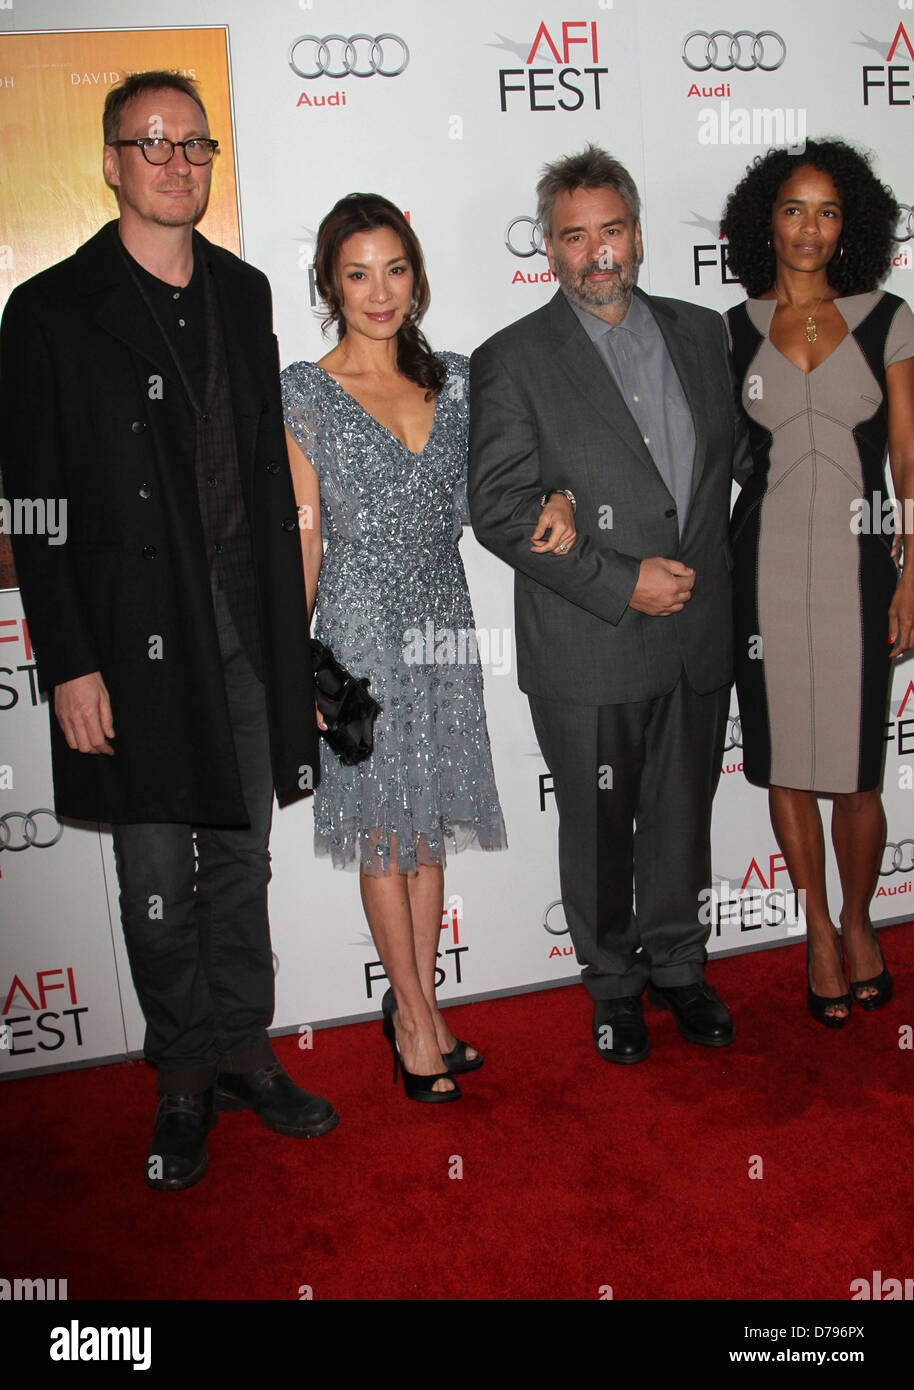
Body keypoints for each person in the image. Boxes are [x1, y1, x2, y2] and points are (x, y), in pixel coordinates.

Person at [0, 71, 337, 1188]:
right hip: (131, 646)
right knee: (156, 874)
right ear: (109, 161)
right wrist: (71, 662)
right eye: (153, 143)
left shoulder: (243, 294)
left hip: (243, 629)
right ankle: (182, 1076)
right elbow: (35, 504)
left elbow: (254, 465)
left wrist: (292, 627)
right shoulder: (48, 310)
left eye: (195, 145)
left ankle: (244, 1045)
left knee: (240, 859)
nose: (177, 162)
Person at [281, 193, 572, 1100]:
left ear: (418, 276)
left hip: (444, 623)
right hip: (360, 631)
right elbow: (306, 534)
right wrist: (299, 662)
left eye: (395, 269)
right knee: (382, 829)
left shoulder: (459, 376)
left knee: (428, 820)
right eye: (358, 273)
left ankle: (426, 1003)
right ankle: (410, 1017)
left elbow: (510, 481)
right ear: (331, 281)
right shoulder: (306, 389)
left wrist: (555, 498)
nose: (379, 292)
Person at [469, 145, 752, 1064]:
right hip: (590, 641)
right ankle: (612, 985)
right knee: (597, 826)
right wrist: (622, 577)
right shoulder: (513, 357)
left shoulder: (704, 332)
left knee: (681, 814)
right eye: (575, 236)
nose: (598, 254)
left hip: (698, 636)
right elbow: (500, 508)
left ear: (637, 233)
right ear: (548, 248)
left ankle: (678, 967)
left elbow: (740, 466)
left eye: (613, 231)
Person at [721, 138, 914, 1027]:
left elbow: (908, 462)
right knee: (785, 766)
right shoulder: (732, 328)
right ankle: (816, 931)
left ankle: (861, 918)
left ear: (853, 225)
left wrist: (911, 577)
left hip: (857, 562)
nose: (810, 228)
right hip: (759, 565)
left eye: (829, 211)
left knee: (855, 769)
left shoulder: (887, 318)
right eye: (794, 209)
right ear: (768, 219)